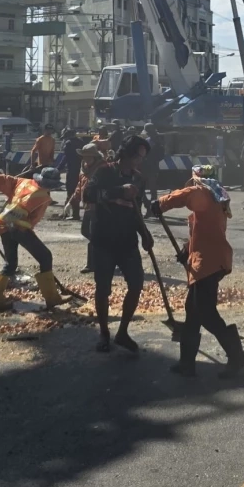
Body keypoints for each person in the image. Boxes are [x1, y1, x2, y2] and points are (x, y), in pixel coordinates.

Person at [154, 165, 244, 378]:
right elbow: (205, 231)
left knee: (206, 313)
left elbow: (187, 195)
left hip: (208, 264)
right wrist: (187, 249)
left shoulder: (204, 193)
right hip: (209, 260)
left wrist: (160, 203)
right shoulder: (215, 200)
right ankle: (187, 364)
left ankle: (237, 356)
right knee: (193, 311)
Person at [83, 134, 155, 354]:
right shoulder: (105, 171)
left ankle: (122, 332)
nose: (138, 161)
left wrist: (145, 233)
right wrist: (117, 192)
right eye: (136, 156)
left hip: (127, 241)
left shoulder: (139, 179)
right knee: (103, 289)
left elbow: (135, 212)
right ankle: (104, 333)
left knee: (136, 284)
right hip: (103, 239)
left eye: (142, 158)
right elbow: (88, 195)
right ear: (126, 154)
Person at [0, 166, 66, 307]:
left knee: (10, 264)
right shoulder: (44, 198)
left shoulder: (23, 182)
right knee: (45, 257)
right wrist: (27, 232)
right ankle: (52, 298)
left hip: (3, 223)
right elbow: (30, 223)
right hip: (18, 228)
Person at [142, 122, 165, 213]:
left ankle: (151, 208)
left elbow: (160, 155)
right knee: (149, 189)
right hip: (148, 167)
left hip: (150, 167)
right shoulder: (149, 140)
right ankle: (150, 207)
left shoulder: (157, 141)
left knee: (152, 189)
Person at [61, 128, 84, 206]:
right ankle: (74, 212)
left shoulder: (68, 143)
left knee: (70, 190)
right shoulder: (81, 142)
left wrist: (58, 168)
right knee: (77, 190)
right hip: (80, 170)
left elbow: (66, 158)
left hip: (71, 170)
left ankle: (68, 212)